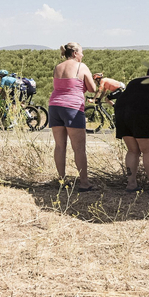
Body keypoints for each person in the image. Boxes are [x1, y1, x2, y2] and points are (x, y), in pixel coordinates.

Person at [113, 64, 149, 194]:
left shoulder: (134, 81)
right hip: (141, 113)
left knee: (133, 150)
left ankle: (131, 184)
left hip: (121, 111)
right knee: (148, 151)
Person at [48, 42, 96, 191]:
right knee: (79, 148)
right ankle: (84, 183)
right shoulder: (81, 67)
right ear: (75, 53)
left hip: (54, 106)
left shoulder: (58, 67)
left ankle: (62, 181)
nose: (82, 55)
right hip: (72, 107)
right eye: (81, 52)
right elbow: (93, 89)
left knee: (60, 146)